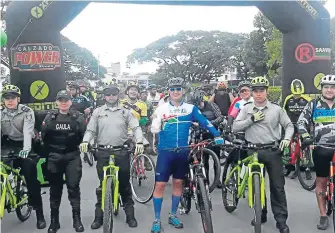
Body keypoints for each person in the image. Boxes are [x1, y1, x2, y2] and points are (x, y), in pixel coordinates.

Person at [150, 77, 224, 233]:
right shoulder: (162, 109)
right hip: (166, 152)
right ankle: (156, 219)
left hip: (183, 152)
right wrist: (159, 123)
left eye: (178, 89)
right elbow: (154, 129)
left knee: (178, 184)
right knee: (160, 185)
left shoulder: (190, 108)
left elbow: (205, 122)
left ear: (183, 91)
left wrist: (216, 135)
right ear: (168, 92)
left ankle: (173, 215)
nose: (176, 92)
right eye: (173, 89)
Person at [233, 76, 293, 233]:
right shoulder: (246, 108)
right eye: (255, 91)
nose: (258, 94)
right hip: (252, 151)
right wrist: (251, 120)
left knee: (277, 187)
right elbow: (235, 127)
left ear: (267, 91)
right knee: (256, 186)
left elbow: (289, 125)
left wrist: (286, 139)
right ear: (252, 93)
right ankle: (261, 214)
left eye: (261, 91)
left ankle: (281, 221)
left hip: (272, 150)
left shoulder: (276, 109)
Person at [79, 84, 144, 229]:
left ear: (118, 95)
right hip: (102, 151)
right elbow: (90, 130)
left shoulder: (126, 111)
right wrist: (85, 141)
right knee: (102, 186)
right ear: (104, 96)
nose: (111, 97)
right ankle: (99, 217)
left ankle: (130, 215)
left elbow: (136, 127)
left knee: (124, 185)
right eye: (108, 94)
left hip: (121, 151)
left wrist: (139, 141)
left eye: (114, 94)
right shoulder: (97, 112)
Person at [1, 84, 46, 229]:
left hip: (26, 144)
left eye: (12, 97)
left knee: (31, 177)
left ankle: (40, 215)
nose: (9, 100)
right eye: (6, 98)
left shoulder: (27, 111)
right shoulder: (1, 112)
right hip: (9, 144)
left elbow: (28, 132)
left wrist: (26, 150)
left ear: (18, 99)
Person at [41, 90, 86, 233]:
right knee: (55, 190)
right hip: (54, 156)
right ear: (56, 102)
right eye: (61, 100)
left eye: (66, 100)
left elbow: (83, 135)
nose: (63, 102)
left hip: (72, 156)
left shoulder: (78, 117)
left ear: (70, 102)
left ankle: (77, 220)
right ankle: (54, 222)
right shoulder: (50, 117)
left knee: (73, 188)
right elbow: (44, 137)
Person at [297, 74, 335, 230]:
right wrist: (306, 136)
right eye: (326, 87)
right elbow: (301, 122)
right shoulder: (313, 104)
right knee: (321, 181)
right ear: (321, 89)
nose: (329, 90)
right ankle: (323, 215)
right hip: (321, 148)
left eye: (332, 87)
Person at [191, 89, 224, 188]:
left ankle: (217, 180)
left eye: (200, 103)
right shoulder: (194, 109)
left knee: (216, 158)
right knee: (204, 159)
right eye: (196, 104)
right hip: (202, 135)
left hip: (214, 134)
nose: (199, 106)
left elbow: (220, 117)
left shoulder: (212, 105)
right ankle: (206, 181)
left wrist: (209, 124)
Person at [282, 79, 311, 178]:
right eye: (295, 95)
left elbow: (311, 113)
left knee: (306, 147)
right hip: (291, 125)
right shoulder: (288, 99)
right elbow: (283, 111)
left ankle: (307, 167)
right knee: (290, 146)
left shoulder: (307, 99)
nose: (297, 97)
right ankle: (290, 164)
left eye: (299, 95)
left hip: (303, 126)